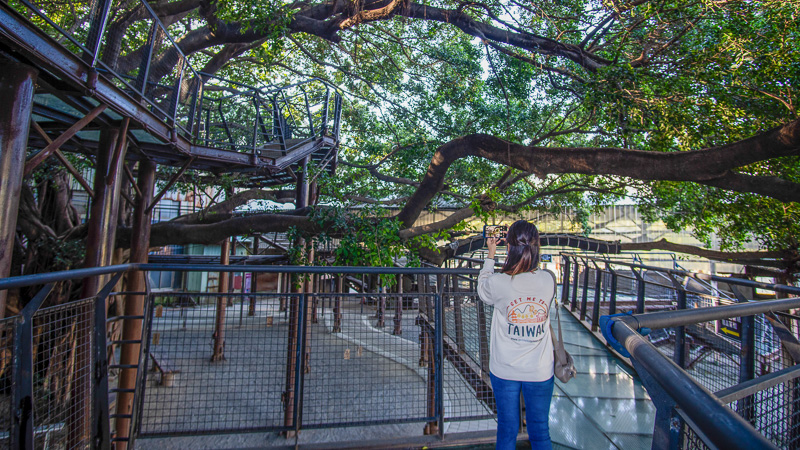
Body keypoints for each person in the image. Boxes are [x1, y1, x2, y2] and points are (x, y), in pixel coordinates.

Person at [478, 220, 556, 450]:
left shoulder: (499, 283)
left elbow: (483, 288)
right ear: (537, 246)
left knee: (507, 429)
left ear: (509, 247)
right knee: (541, 432)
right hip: (540, 369)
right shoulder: (548, 280)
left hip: (505, 369)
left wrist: (491, 253)